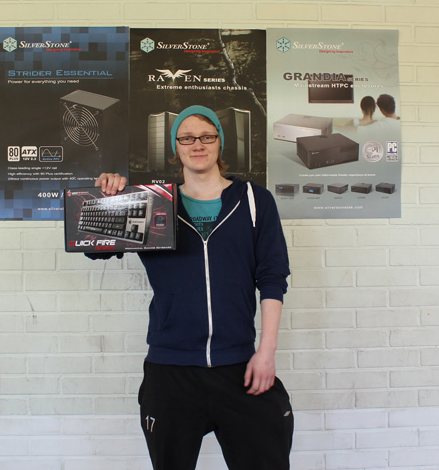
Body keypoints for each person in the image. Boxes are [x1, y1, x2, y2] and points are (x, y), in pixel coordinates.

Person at [93, 105, 293, 470]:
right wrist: (110, 197)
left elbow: (272, 277)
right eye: (186, 138)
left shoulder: (254, 200)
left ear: (219, 142)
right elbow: (96, 248)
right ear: (176, 147)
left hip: (240, 367)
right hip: (170, 371)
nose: (197, 145)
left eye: (206, 136)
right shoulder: (152, 202)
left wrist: (266, 351)